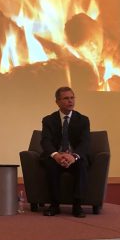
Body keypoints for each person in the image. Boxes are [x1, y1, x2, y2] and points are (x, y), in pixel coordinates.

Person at [40, 86, 90, 218]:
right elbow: (45, 141)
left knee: (82, 165)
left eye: (72, 98)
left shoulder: (83, 120)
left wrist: (73, 156)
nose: (70, 101)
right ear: (57, 101)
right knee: (50, 165)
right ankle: (54, 205)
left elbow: (85, 142)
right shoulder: (48, 120)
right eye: (66, 98)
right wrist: (56, 155)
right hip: (56, 157)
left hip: (74, 158)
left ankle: (77, 206)